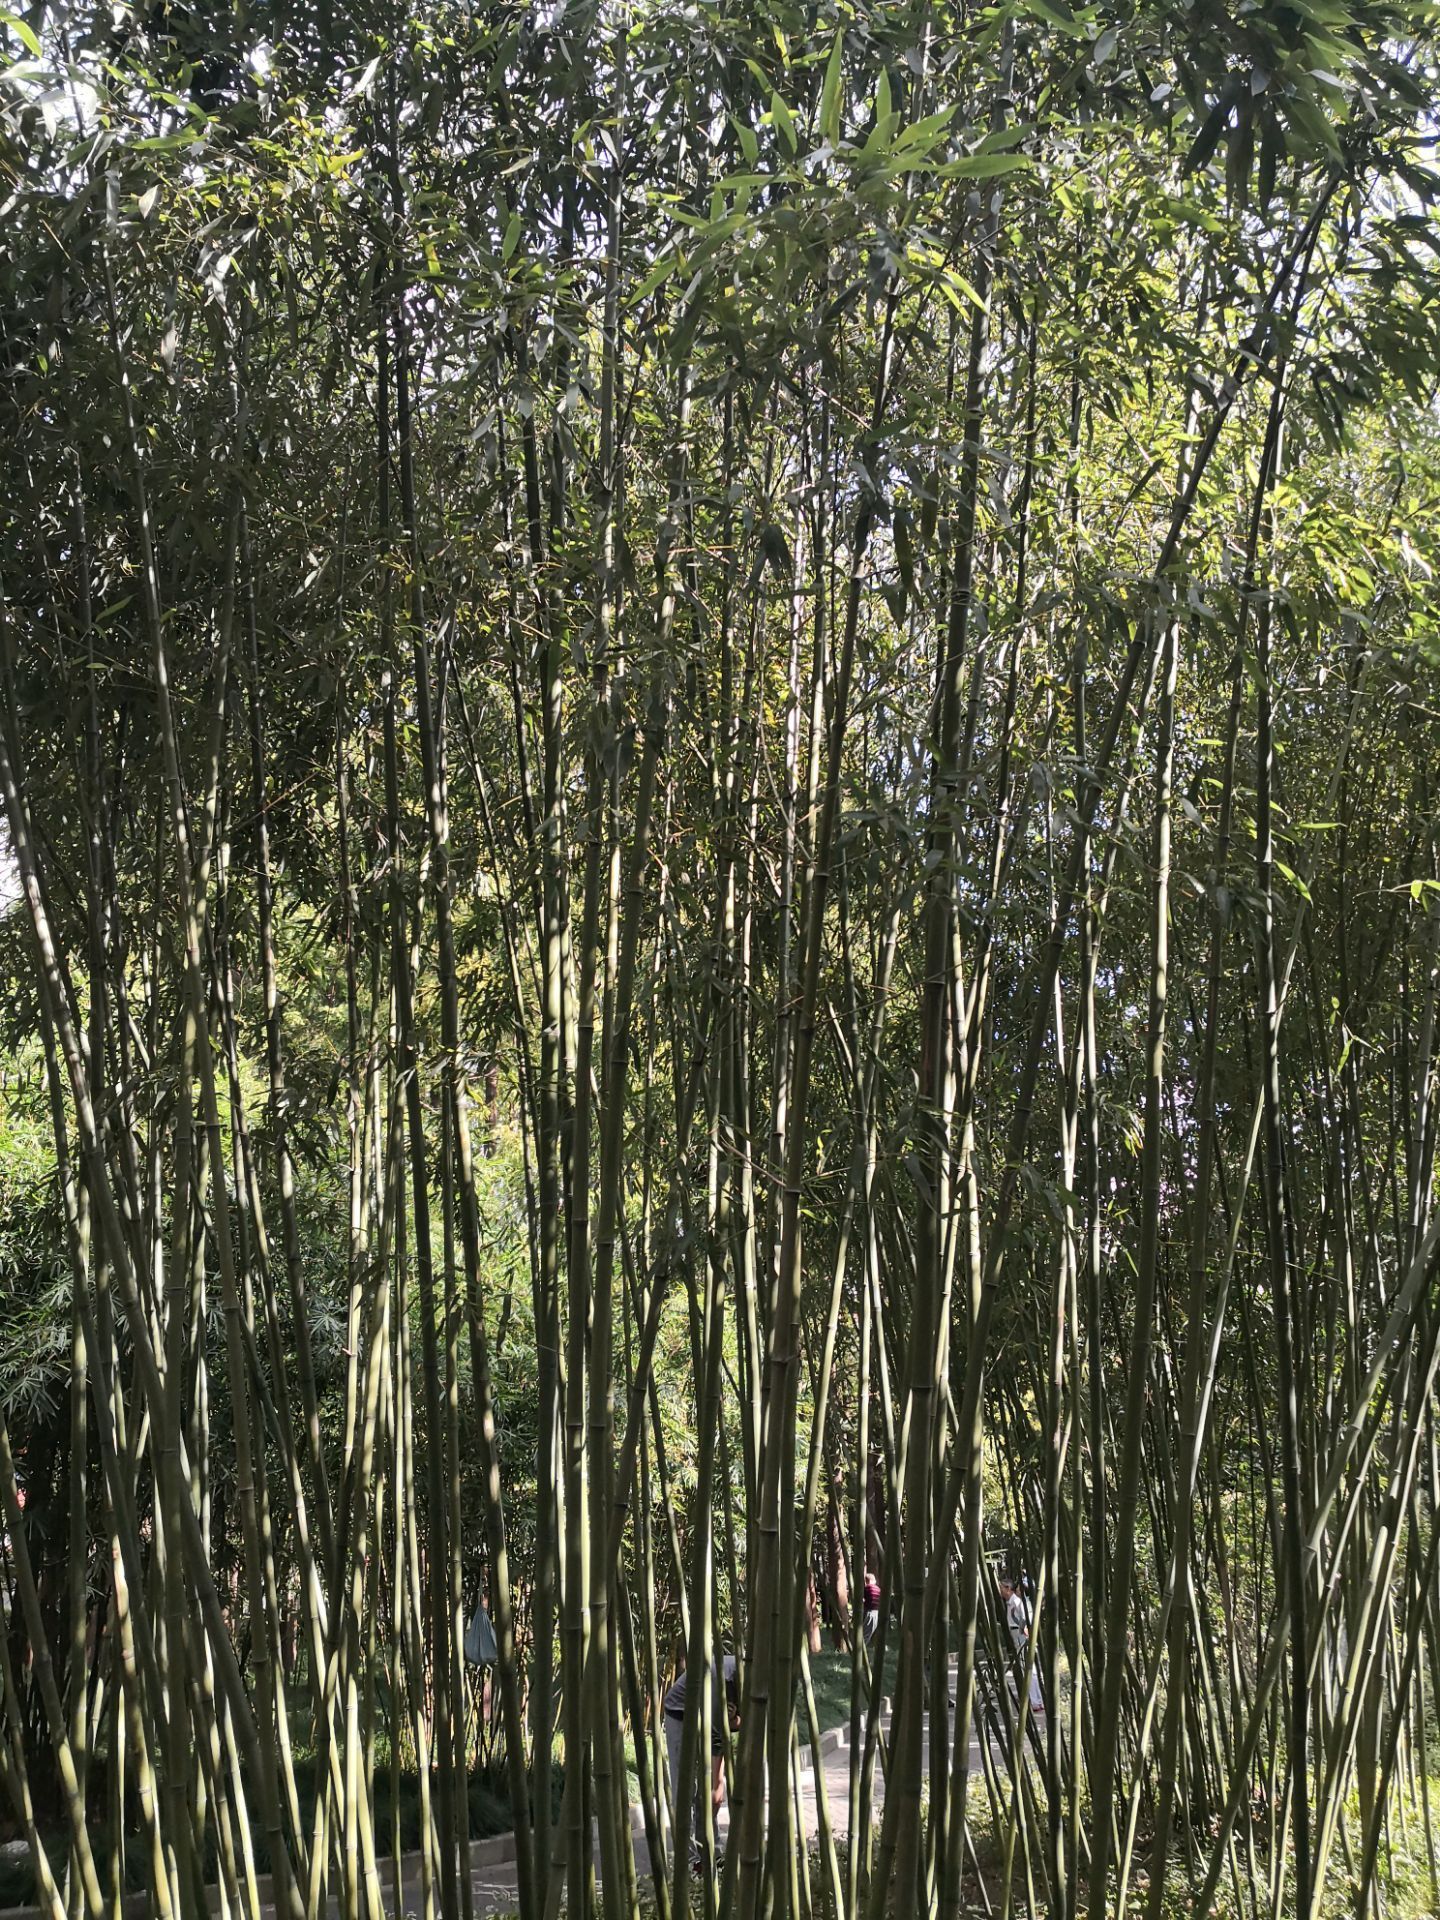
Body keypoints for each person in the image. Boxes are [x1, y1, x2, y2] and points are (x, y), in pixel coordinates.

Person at [663, 1650, 739, 1866]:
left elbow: (736, 1722)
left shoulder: (758, 1680)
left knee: (706, 1795)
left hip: (707, 1718)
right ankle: (689, 1859)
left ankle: (711, 1850)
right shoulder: (723, 1677)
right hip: (681, 1714)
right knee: (686, 1789)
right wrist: (717, 1783)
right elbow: (718, 1732)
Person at [998, 1572, 1043, 1715]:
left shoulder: (1017, 1602)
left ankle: (1035, 1701)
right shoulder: (1011, 1602)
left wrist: (1023, 1630)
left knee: (1028, 1669)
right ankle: (1035, 1699)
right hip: (1017, 1635)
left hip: (1020, 1637)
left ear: (1007, 1588)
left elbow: (1024, 1618)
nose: (1000, 1591)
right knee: (1028, 1669)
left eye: (1001, 1588)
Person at [862, 1571, 881, 1645]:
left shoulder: (866, 1588)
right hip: (876, 1612)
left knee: (866, 1632)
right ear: (873, 1580)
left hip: (869, 1612)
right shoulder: (878, 1589)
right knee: (868, 1632)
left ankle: (861, 1647)